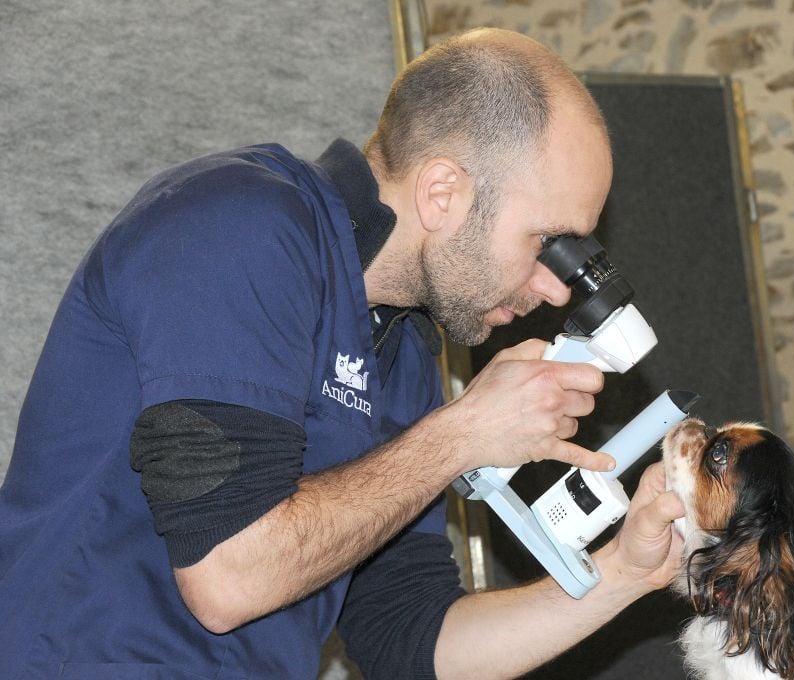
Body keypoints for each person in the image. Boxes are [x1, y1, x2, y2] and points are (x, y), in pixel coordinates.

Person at [0, 28, 686, 679]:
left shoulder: (405, 351)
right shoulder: (238, 226)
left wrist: (625, 571)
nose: (553, 287)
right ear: (443, 192)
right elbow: (227, 573)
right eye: (546, 243)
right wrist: (464, 434)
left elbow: (414, 643)